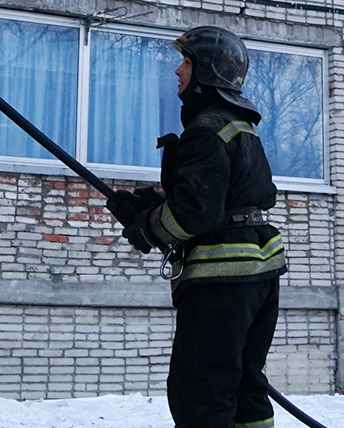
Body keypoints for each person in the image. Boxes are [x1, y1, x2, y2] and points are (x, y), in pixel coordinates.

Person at [110, 26, 286, 428]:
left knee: (201, 394)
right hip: (259, 277)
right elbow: (230, 198)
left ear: (204, 71)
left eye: (185, 62)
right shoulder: (241, 128)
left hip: (221, 281)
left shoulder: (205, 129)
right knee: (245, 389)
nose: (177, 71)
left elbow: (196, 214)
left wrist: (146, 227)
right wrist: (156, 205)